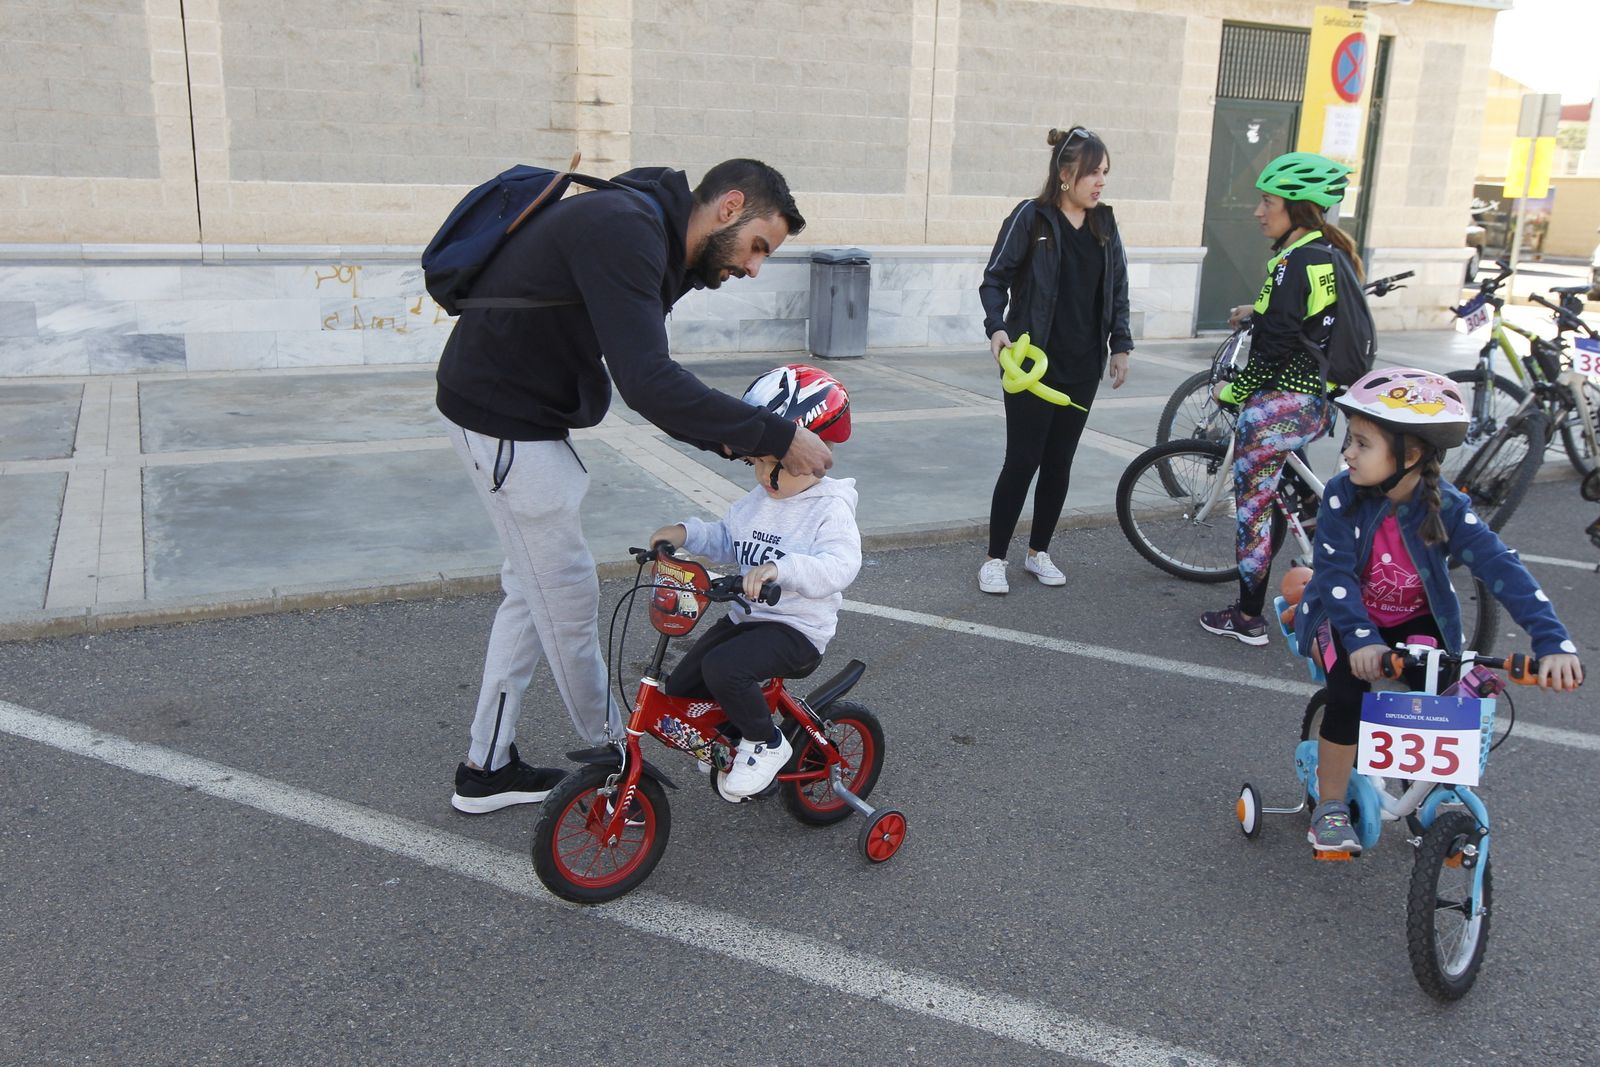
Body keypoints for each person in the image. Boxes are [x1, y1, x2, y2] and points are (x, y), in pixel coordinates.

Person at [438, 159, 834, 815]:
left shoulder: (650, 233)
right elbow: (648, 382)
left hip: (513, 418)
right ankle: (619, 753)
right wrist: (777, 435)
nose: (754, 268)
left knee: (530, 593)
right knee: (566, 596)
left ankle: (487, 767)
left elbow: (654, 380)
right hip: (504, 424)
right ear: (729, 206)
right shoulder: (627, 230)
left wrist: (737, 440)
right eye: (758, 246)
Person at [1293, 367, 1584, 853]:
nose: (1347, 453)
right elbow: (1335, 576)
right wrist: (1362, 640)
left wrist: (1552, 641)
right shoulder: (1343, 496)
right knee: (1348, 697)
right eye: (1350, 440)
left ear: (1410, 456)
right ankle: (1331, 805)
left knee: (1444, 698)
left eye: (1362, 444)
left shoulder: (1445, 506)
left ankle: (1427, 792)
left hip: (1412, 620)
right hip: (1346, 617)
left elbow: (1500, 567)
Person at [648, 364, 861, 798]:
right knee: (683, 684)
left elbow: (840, 565)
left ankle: (767, 743)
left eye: (773, 464)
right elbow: (728, 537)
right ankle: (733, 739)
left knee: (725, 668)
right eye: (754, 463)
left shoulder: (829, 508)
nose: (763, 476)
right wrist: (686, 534)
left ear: (813, 453)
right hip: (748, 619)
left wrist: (782, 569)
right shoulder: (759, 500)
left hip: (796, 630)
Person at [1199, 151, 1361, 644]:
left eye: (1267, 202)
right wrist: (1258, 310)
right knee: (1286, 478)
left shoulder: (1295, 262)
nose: (1258, 211)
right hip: (1318, 402)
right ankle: (1310, 516)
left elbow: (1272, 349)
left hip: (1282, 405)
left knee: (1252, 513)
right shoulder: (1328, 255)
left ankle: (1247, 618)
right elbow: (1304, 319)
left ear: (1297, 208)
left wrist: (1235, 390)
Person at [978, 126, 1134, 595]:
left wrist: (1120, 345)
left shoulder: (1105, 223)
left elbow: (1118, 288)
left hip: (1082, 364)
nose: (1101, 181)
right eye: (1093, 172)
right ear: (1066, 173)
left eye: (1105, 172)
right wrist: (996, 326)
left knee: (1059, 463)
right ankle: (994, 559)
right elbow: (994, 278)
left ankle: (1038, 552)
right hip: (1031, 365)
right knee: (1022, 461)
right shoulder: (1032, 217)